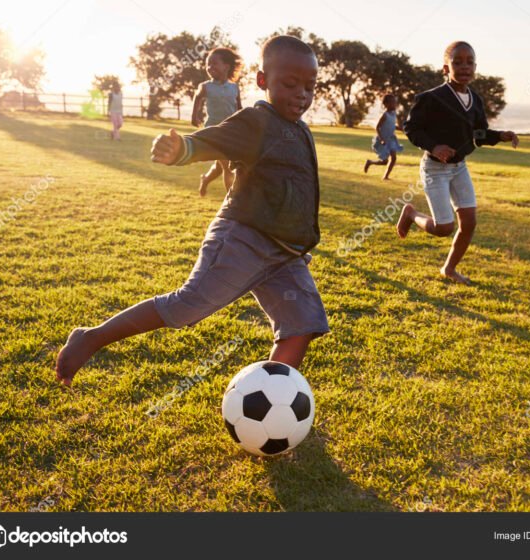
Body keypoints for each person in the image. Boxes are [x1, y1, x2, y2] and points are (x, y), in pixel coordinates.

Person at [55, 36, 328, 386]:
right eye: (290, 84)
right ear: (263, 81)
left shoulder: (301, 130)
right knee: (188, 305)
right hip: (243, 239)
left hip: (285, 255)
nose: (302, 94)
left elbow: (300, 191)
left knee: (301, 324)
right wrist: (182, 148)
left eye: (310, 86)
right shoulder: (255, 122)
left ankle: (277, 394)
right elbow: (214, 139)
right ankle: (91, 337)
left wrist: (299, 241)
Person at [398, 41, 519, 285]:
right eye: (458, 62)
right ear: (446, 68)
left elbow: (479, 135)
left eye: (470, 62)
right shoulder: (432, 98)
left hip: (459, 168)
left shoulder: (475, 99)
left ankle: (449, 269)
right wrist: (434, 147)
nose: (465, 66)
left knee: (469, 223)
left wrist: (501, 136)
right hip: (434, 169)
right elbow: (411, 128)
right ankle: (411, 214)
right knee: (443, 228)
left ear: (475, 66)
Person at [192, 47, 243, 196]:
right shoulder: (206, 87)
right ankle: (231, 201)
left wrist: (243, 123)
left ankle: (205, 179)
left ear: (226, 66)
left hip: (231, 132)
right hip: (214, 132)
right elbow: (197, 97)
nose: (210, 67)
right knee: (228, 166)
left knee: (221, 166)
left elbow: (239, 108)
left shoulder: (234, 88)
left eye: (214, 63)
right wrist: (194, 116)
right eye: (208, 64)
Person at [364, 94, 403, 180]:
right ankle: (370, 162)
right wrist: (381, 139)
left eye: (395, 102)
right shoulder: (385, 115)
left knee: (393, 158)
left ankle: (386, 176)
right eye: (392, 103)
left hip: (391, 139)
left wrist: (399, 128)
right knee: (384, 161)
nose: (395, 104)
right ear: (386, 104)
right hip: (383, 140)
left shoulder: (394, 114)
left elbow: (391, 125)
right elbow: (378, 127)